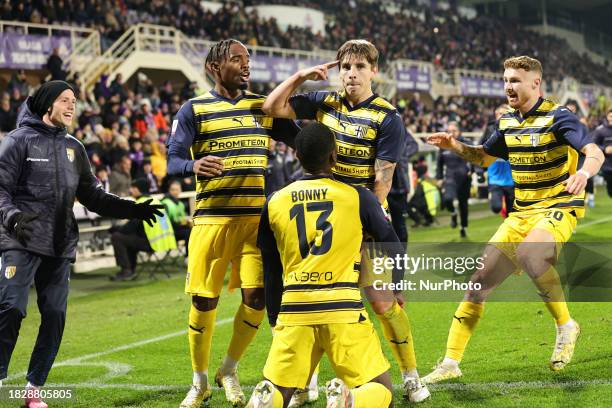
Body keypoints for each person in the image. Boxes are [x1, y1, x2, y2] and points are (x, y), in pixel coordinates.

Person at [262, 39, 428, 404]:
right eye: (345, 67)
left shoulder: (387, 117)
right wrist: (301, 76)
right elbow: (271, 107)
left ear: (374, 71)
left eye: (359, 67)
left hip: (360, 215)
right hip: (323, 212)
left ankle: (411, 375)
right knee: (316, 299)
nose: (351, 74)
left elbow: (382, 180)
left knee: (382, 303)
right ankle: (306, 384)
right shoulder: (324, 100)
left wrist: (364, 222)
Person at [423, 56, 604, 384]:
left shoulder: (558, 117)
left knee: (531, 254)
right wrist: (454, 145)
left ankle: (565, 326)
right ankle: (450, 362)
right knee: (478, 284)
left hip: (557, 205)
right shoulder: (507, 123)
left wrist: (583, 172)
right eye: (506, 79)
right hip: (522, 212)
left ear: (535, 83)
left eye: (515, 80)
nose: (508, 86)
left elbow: (595, 151)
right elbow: (483, 157)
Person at [0, 81, 163, 408]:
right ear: (48, 104)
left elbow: (93, 196)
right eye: (65, 100)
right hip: (21, 238)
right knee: (12, 307)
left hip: (60, 242)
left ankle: (34, 389)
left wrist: (130, 207)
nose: (73, 107)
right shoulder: (17, 142)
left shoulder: (75, 147)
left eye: (74, 101)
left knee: (56, 314)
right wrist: (13, 217)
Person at [166, 39, 299, 407]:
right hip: (212, 220)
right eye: (236, 59)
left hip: (256, 222)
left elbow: (304, 141)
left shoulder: (263, 107)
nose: (246, 65)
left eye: (248, 59)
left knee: (256, 298)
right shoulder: (194, 109)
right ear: (214, 66)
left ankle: (229, 368)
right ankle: (200, 381)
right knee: (204, 302)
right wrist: (193, 165)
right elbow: (172, 159)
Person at [247, 122, 400, 408]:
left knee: (282, 389)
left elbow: (270, 269)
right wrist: (398, 285)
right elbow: (391, 243)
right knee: (382, 392)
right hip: (342, 306)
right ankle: (350, 400)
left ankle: (267, 399)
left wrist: (273, 317)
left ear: (297, 157)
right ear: (334, 156)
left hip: (294, 309)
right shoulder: (358, 196)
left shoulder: (274, 202)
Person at [110, 178, 175, 281]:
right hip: (165, 242)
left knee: (117, 237)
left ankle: (126, 271)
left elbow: (130, 227)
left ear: (138, 189)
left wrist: (115, 229)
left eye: (132, 188)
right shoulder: (155, 201)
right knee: (129, 239)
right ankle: (130, 269)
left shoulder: (140, 204)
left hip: (152, 243)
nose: (131, 190)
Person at [436, 121, 472, 238]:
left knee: (463, 204)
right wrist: (439, 178)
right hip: (450, 177)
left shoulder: (466, 143)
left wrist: (472, 170)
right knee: (447, 199)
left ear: (459, 131)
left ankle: (463, 227)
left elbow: (474, 158)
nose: (451, 133)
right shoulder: (443, 145)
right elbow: (439, 164)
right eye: (449, 131)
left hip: (464, 178)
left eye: (454, 131)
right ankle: (453, 213)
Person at [478, 104, 514, 216]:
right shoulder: (489, 130)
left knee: (512, 213)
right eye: (498, 114)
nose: (501, 116)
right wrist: (479, 171)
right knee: (496, 207)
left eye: (504, 114)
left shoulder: (516, 129)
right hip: (495, 176)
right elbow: (480, 149)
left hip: (512, 176)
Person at [388, 131, 418, 246]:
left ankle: (400, 256)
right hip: (380, 185)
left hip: (398, 188)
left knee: (399, 224)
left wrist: (401, 156)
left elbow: (414, 146)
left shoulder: (399, 126)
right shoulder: (377, 124)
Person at [161, 179, 191, 258]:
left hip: (178, 229)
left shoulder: (180, 204)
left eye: (177, 189)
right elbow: (164, 224)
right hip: (168, 232)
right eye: (173, 190)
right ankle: (188, 257)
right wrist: (181, 223)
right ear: (169, 190)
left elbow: (181, 218)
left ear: (180, 190)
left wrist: (186, 222)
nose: (175, 192)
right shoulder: (165, 203)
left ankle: (192, 256)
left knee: (194, 230)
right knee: (189, 232)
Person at [592, 109, 612, 197]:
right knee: (610, 191)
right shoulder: (600, 130)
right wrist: (605, 149)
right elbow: (593, 144)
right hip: (607, 166)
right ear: (607, 117)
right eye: (611, 116)